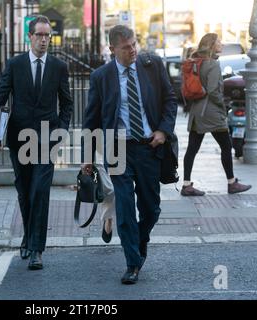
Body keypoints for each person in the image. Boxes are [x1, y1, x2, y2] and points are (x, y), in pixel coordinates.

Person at [81, 25, 177, 284]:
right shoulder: (101, 77)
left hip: (149, 147)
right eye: (126, 47)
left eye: (134, 44)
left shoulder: (152, 65)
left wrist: (163, 131)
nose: (133, 50)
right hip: (118, 148)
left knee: (151, 209)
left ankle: (138, 242)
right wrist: (87, 157)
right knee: (124, 206)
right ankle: (132, 263)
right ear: (112, 49)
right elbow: (90, 120)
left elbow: (170, 100)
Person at [0, 15, 73, 270]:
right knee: (25, 192)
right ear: (30, 36)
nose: (44, 40)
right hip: (19, 139)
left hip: (47, 138)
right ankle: (27, 237)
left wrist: (62, 130)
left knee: (40, 191)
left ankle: (36, 249)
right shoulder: (15, 64)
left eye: (48, 35)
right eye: (40, 35)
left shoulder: (59, 67)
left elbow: (67, 103)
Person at [180, 33, 251, 196]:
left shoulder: (197, 63)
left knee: (192, 148)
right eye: (219, 41)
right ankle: (232, 183)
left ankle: (186, 185)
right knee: (226, 146)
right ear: (211, 45)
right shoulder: (212, 65)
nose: (222, 44)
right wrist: (223, 107)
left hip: (198, 112)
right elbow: (213, 91)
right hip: (211, 112)